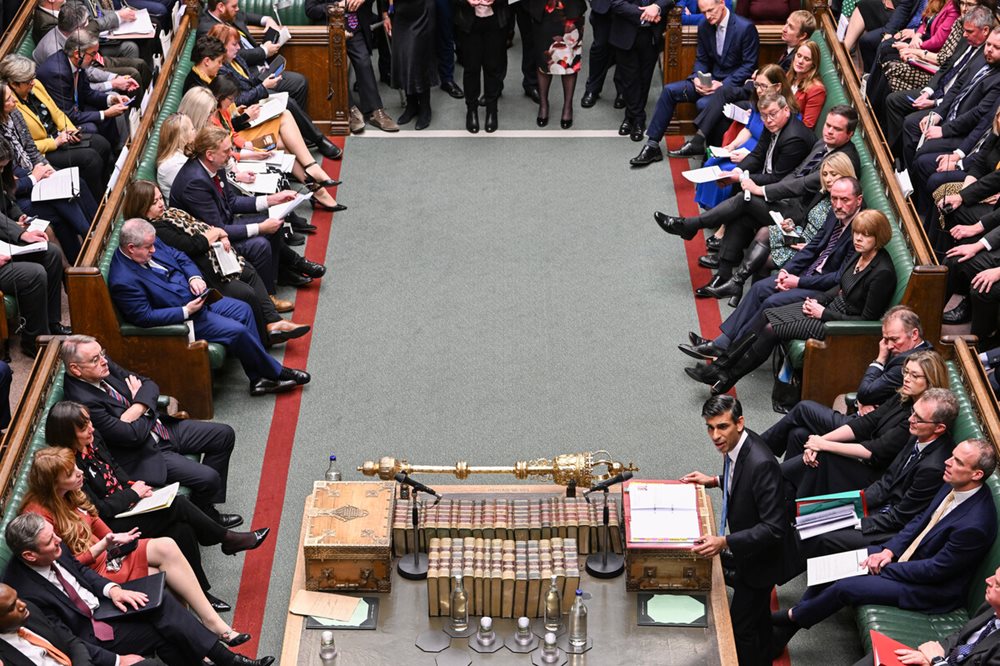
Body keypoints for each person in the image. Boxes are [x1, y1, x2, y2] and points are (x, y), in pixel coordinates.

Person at [771, 439, 998, 660]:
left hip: (930, 589)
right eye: (952, 456)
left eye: (957, 461)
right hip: (908, 559)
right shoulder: (954, 483)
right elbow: (920, 522)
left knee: (845, 586)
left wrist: (887, 566)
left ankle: (788, 617)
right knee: (834, 563)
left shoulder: (975, 524)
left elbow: (936, 571)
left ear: (976, 474)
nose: (947, 462)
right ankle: (791, 623)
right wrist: (889, 551)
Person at [44, 400, 270, 611]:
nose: (91, 429)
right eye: (84, 428)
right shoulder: (69, 469)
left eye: (90, 422)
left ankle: (201, 593)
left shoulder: (93, 440)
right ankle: (226, 539)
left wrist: (134, 487)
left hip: (128, 505)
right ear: (67, 435)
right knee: (178, 506)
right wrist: (133, 494)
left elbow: (114, 467)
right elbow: (99, 510)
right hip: (110, 527)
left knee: (182, 528)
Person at [19, 447, 250, 646]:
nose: (80, 473)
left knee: (168, 545)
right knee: (163, 575)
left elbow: (94, 518)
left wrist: (114, 539)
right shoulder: (38, 518)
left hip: (109, 555)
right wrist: (101, 547)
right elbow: (67, 569)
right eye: (71, 473)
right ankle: (197, 639)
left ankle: (213, 626)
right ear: (53, 483)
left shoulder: (71, 492)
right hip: (94, 574)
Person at [3, 512, 276, 666]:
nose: (59, 541)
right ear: (29, 556)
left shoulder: (53, 547)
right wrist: (116, 660)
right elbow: (63, 637)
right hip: (90, 632)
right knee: (164, 630)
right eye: (51, 541)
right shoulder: (24, 593)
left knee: (161, 604)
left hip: (106, 606)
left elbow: (81, 572)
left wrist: (113, 590)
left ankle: (228, 661)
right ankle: (231, 662)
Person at [657, 105, 862, 303]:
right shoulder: (823, 144)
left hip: (801, 214)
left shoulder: (843, 160)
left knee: (744, 200)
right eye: (828, 126)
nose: (829, 131)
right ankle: (725, 276)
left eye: (837, 129)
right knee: (744, 211)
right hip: (789, 202)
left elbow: (802, 184)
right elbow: (797, 172)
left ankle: (692, 226)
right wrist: (771, 194)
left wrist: (763, 191)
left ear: (850, 134)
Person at [685, 209, 897, 395]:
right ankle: (720, 368)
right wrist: (817, 302)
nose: (858, 239)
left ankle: (727, 377)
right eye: (856, 233)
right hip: (826, 308)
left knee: (770, 329)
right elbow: (839, 286)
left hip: (837, 325)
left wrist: (822, 313)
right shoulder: (859, 253)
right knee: (766, 314)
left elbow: (865, 320)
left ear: (879, 237)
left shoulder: (882, 273)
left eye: (866, 235)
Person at [109, 220, 313, 396]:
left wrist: (194, 276)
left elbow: (179, 256)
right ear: (131, 248)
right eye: (148, 248)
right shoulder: (122, 280)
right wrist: (186, 311)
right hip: (185, 318)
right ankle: (276, 372)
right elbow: (144, 317)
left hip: (200, 298)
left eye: (153, 245)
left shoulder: (148, 240)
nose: (153, 250)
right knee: (238, 331)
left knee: (244, 309)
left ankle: (259, 379)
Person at [677, 176, 865, 360]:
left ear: (859, 200)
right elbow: (813, 247)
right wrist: (787, 271)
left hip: (824, 290)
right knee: (759, 288)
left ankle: (727, 351)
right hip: (806, 274)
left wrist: (797, 281)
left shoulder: (862, 229)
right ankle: (722, 342)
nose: (838, 205)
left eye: (845, 200)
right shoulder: (835, 213)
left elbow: (838, 277)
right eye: (834, 198)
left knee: (771, 302)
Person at [60, 335, 243, 523]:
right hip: (144, 452)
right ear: (76, 369)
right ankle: (206, 519)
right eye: (95, 359)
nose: (104, 361)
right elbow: (131, 436)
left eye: (102, 354)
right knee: (210, 478)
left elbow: (148, 384)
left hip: (161, 429)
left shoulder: (102, 366)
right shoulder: (83, 401)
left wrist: (136, 407)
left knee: (223, 435)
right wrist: (145, 407)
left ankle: (202, 508)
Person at [122, 180, 309, 345]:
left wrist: (219, 234)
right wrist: (216, 233)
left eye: (160, 198)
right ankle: (266, 338)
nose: (161, 204)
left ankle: (274, 321)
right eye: (154, 203)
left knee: (249, 272)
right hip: (205, 271)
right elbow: (191, 246)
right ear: (141, 209)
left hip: (214, 258)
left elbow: (201, 226)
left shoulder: (169, 214)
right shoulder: (154, 229)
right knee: (245, 293)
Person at [680, 395, 793, 666]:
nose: (715, 435)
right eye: (710, 427)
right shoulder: (737, 446)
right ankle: (767, 650)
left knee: (740, 629)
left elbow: (774, 528)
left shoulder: (761, 462)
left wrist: (725, 541)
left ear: (739, 423)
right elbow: (740, 479)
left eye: (722, 427)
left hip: (761, 561)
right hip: (750, 554)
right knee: (760, 617)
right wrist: (714, 480)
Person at [800, 388, 958, 559]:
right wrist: (849, 505)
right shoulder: (918, 434)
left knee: (821, 532)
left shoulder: (934, 467)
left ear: (939, 428)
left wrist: (855, 521)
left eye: (918, 418)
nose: (910, 419)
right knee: (810, 515)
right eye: (913, 412)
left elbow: (900, 518)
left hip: (891, 529)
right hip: (882, 506)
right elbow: (886, 482)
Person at [168, 126, 327, 292]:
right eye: (227, 151)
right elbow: (218, 228)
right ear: (209, 154)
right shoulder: (194, 183)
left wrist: (272, 199)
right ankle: (269, 296)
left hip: (225, 223)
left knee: (273, 223)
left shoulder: (216, 165)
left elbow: (232, 201)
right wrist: (260, 228)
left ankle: (281, 274)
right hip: (210, 240)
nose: (231, 154)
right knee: (260, 243)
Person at [760, 306, 931, 455]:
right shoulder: (914, 352)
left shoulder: (910, 363)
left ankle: (754, 450)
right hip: (869, 418)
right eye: (885, 339)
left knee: (803, 409)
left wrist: (880, 358)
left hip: (868, 428)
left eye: (894, 339)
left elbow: (866, 393)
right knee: (797, 434)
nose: (889, 345)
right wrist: (863, 400)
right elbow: (867, 395)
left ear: (914, 334)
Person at [781, 350, 949, 500]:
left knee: (822, 456)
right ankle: (785, 494)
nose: (906, 379)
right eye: (906, 372)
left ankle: (772, 477)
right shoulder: (904, 398)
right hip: (864, 456)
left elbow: (875, 450)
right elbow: (866, 423)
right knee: (799, 435)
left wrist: (823, 445)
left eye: (915, 375)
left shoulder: (919, 418)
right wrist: (817, 441)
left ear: (931, 381)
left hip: (875, 476)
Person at [670, 9, 816, 159]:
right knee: (723, 109)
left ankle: (701, 144)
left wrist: (758, 80)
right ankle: (709, 153)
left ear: (803, 36)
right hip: (762, 93)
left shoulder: (797, 61)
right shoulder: (789, 51)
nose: (784, 28)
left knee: (725, 93)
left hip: (767, 100)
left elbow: (802, 120)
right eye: (785, 23)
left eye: (791, 27)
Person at [629, 0, 759, 167]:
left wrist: (723, 84)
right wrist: (697, 78)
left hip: (731, 87)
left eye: (711, 11)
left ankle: (707, 152)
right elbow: (701, 59)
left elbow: (749, 66)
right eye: (703, 12)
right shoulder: (705, 25)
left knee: (704, 104)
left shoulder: (745, 27)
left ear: (721, 3)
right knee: (670, 91)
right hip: (708, 82)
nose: (707, 16)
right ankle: (652, 145)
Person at [205, 75, 345, 213]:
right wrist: (250, 153)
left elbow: (233, 134)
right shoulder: (210, 122)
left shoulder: (223, 111)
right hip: (233, 157)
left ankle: (316, 185)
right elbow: (224, 153)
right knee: (287, 142)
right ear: (219, 98)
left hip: (242, 146)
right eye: (231, 99)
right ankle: (316, 184)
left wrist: (248, 145)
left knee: (287, 136)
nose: (233, 102)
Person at [208, 24, 344, 158]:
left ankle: (303, 136)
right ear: (222, 46)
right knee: (287, 103)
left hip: (255, 94)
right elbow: (236, 100)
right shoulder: (221, 70)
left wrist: (264, 79)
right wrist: (263, 87)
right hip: (246, 109)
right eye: (234, 44)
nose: (239, 47)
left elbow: (248, 82)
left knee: (298, 84)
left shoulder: (236, 58)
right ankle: (319, 140)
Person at [0, 82, 95, 263]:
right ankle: (88, 240)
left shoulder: (15, 114)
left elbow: (30, 147)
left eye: (12, 95)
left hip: (33, 174)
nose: (14, 100)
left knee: (74, 184)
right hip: (17, 196)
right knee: (60, 204)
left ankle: (88, 245)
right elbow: (9, 187)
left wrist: (45, 167)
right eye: (8, 99)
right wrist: (34, 178)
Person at [1, 53, 113, 200]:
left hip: (61, 136)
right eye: (28, 81)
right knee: (91, 159)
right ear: (13, 84)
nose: (33, 83)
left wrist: (70, 129)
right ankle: (99, 201)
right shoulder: (9, 105)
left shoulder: (36, 86)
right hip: (46, 149)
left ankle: (108, 190)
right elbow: (25, 145)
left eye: (32, 78)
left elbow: (56, 112)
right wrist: (55, 142)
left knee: (102, 144)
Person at [0, 140, 70, 359]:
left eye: (4, 167)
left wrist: (19, 217)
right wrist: (21, 234)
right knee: (34, 274)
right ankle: (34, 340)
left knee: (51, 253)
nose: (1, 170)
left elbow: (7, 203)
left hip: (5, 243)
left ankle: (51, 324)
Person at [851, 564, 1000, 666]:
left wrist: (936, 660)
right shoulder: (992, 605)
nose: (988, 580)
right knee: (876, 659)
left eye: (998, 584)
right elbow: (965, 635)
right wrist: (936, 652)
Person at [693, 65, 791, 211]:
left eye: (764, 86)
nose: (758, 90)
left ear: (777, 87)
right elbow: (748, 129)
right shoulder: (760, 103)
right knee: (712, 162)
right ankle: (712, 210)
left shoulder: (782, 112)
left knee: (724, 171)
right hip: (745, 147)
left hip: (759, 155)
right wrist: (731, 146)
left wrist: (749, 156)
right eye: (757, 85)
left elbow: (774, 149)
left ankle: (722, 213)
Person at [0, 582, 161, 665]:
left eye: (18, 598)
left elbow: (71, 642)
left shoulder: (30, 613)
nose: (22, 605)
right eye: (12, 607)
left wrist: (116, 661)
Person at [198, 0, 311, 115]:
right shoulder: (207, 29)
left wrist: (268, 20)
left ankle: (300, 128)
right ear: (221, 7)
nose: (237, 9)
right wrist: (264, 51)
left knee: (300, 82)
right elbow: (236, 55)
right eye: (234, 6)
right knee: (289, 101)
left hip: (256, 72)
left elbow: (251, 17)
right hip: (249, 77)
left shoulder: (231, 15)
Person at [303, 0, 399, 132]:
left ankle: (375, 111)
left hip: (354, 26)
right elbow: (310, 10)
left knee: (363, 62)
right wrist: (338, 6)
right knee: (336, 67)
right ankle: (350, 109)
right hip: (329, 29)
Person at [35, 30, 130, 150]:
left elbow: (87, 93)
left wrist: (112, 99)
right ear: (77, 54)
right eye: (93, 54)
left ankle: (118, 151)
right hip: (59, 121)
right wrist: (105, 114)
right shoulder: (57, 73)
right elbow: (68, 115)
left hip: (75, 108)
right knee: (94, 125)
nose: (96, 58)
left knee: (107, 112)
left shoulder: (78, 63)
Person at [607, 0, 669, 141]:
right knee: (629, 79)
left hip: (652, 34)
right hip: (625, 31)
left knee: (644, 79)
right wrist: (647, 13)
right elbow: (616, 3)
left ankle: (631, 116)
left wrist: (657, 7)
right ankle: (638, 118)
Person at [526, 0, 587, 129]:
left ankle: (567, 107)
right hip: (544, 9)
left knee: (570, 61)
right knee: (544, 59)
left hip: (571, 10)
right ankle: (543, 105)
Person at [453, 0, 509, 134]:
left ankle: (492, 110)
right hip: (468, 20)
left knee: (493, 67)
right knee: (471, 68)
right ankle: (471, 110)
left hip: (496, 19)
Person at [389, 0, 440, 129]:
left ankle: (425, 107)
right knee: (403, 57)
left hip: (422, 10)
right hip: (400, 11)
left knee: (419, 58)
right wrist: (385, 14)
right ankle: (411, 105)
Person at [154, 113, 194, 203]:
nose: (195, 132)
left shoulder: (183, 154)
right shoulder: (171, 165)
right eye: (192, 129)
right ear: (183, 136)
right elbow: (195, 191)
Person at [788, 41, 826, 130]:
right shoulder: (790, 75)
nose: (800, 61)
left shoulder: (816, 89)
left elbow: (807, 126)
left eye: (807, 59)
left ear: (813, 64)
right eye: (799, 56)